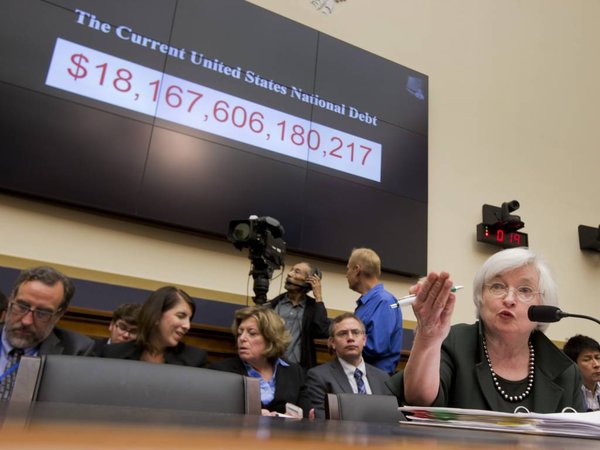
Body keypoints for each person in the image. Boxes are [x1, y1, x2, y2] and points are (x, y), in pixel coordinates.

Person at [386, 247, 584, 413]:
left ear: (544, 306)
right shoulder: (454, 342)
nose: (508, 299)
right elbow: (419, 400)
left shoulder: (566, 372)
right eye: (497, 286)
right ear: (480, 298)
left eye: (525, 290)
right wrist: (428, 336)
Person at [0, 266, 95, 400]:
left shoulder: (75, 351)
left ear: (58, 315)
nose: (27, 321)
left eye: (42, 313)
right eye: (22, 306)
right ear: (11, 301)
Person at [209, 306, 305, 416]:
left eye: (252, 333)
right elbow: (213, 413)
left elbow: (306, 414)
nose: (242, 338)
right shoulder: (221, 371)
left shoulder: (293, 372)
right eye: (240, 333)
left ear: (271, 338)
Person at [299, 312, 392, 419]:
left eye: (356, 332)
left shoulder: (383, 378)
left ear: (364, 340)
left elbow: (390, 418)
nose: (350, 338)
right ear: (332, 342)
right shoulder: (318, 376)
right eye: (343, 333)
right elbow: (322, 420)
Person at [101, 286, 207, 366]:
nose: (187, 326)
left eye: (189, 319)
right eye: (181, 316)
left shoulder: (194, 359)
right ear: (156, 315)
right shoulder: (112, 354)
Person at [346, 248, 402, 374]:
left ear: (356, 269)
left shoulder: (385, 301)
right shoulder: (367, 303)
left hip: (374, 382)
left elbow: (376, 346)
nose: (346, 274)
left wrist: (342, 344)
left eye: (348, 268)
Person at [266, 262, 330, 370]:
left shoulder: (313, 307)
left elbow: (322, 330)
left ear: (310, 280)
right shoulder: (273, 305)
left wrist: (318, 297)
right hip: (268, 366)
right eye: (291, 270)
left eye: (297, 272)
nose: (289, 274)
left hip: (298, 370)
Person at [563, 334, 600, 411]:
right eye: (587, 359)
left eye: (598, 358)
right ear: (573, 364)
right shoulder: (567, 393)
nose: (597, 364)